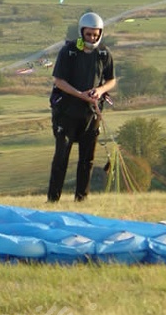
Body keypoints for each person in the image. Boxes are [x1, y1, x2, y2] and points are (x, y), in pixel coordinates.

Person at [47, 12, 116, 202]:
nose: (92, 38)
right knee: (61, 157)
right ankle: (53, 199)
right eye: (89, 34)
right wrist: (80, 94)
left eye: (95, 34)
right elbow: (58, 81)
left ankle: (81, 199)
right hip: (67, 112)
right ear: (81, 32)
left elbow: (111, 80)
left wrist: (100, 91)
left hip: (90, 114)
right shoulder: (69, 51)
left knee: (87, 160)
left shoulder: (103, 53)